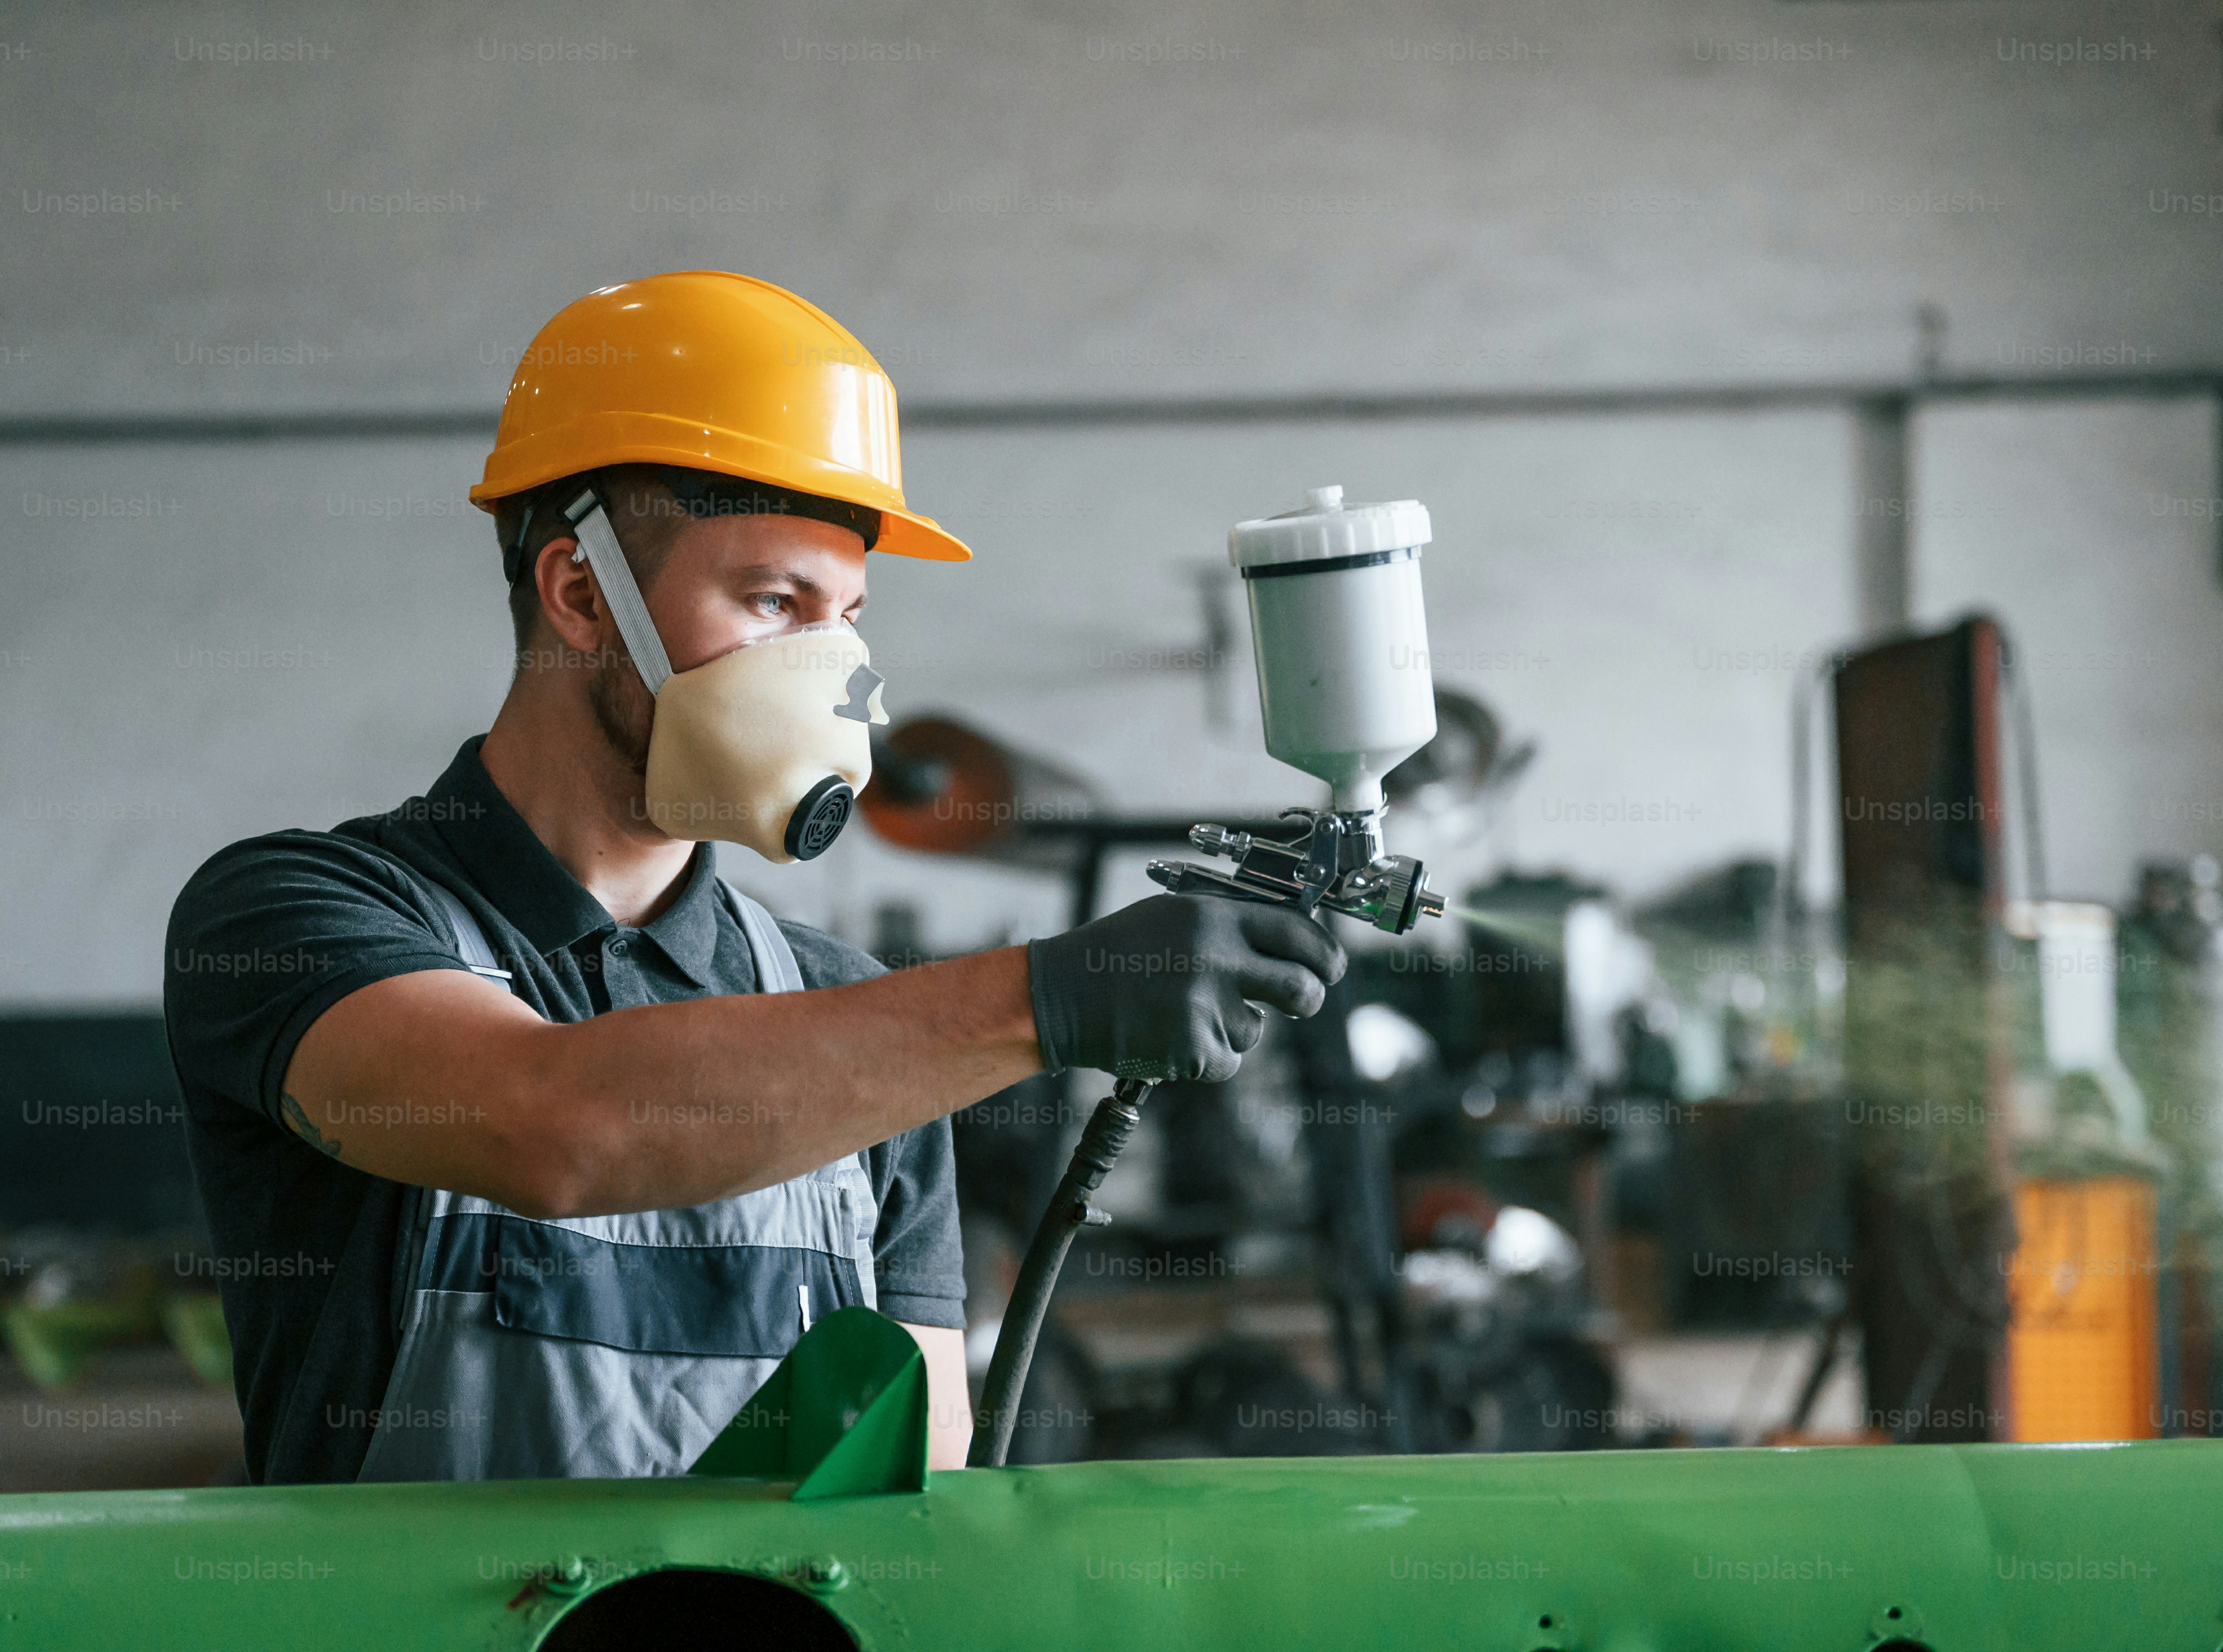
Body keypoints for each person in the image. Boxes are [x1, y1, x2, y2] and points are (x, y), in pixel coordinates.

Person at [163, 270, 1342, 1484]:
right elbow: (550, 1123)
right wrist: (1039, 1002)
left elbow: (913, 1483)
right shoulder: (296, 915)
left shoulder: (859, 1015)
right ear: (580, 594)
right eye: (774, 601)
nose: (835, 673)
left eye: (846, 615)